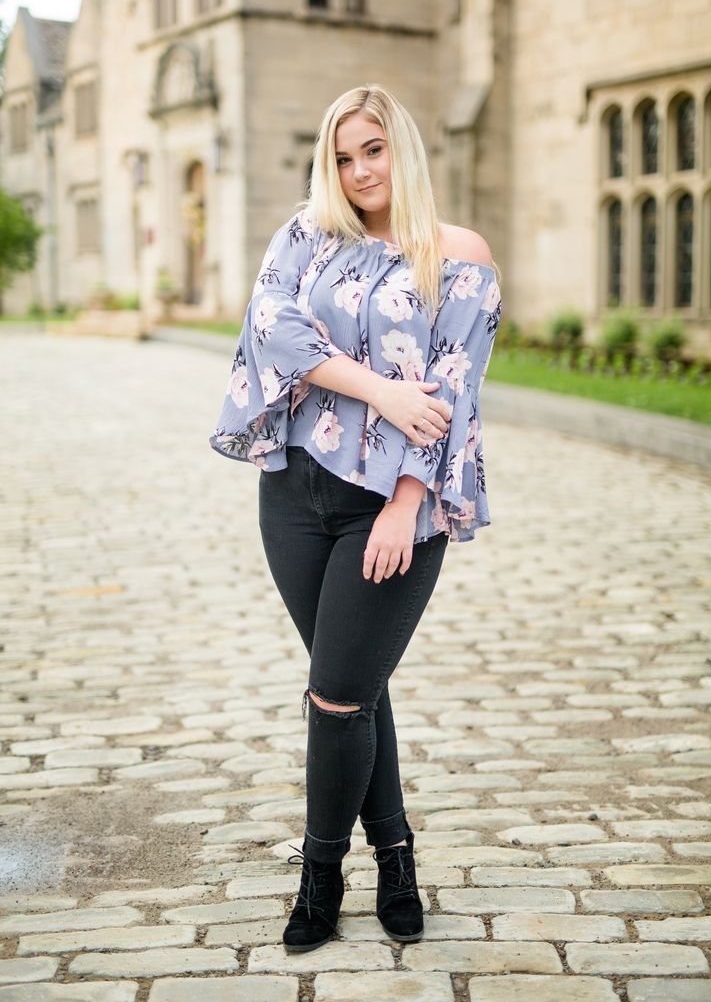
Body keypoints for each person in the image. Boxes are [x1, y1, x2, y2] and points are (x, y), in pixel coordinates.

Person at [209, 83, 503, 953]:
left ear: (400, 149)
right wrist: (378, 389)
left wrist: (405, 507)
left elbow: (453, 389)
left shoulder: (458, 256)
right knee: (351, 683)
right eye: (343, 155)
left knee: (336, 696)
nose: (358, 169)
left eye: (372, 149)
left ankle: (321, 875)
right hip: (293, 494)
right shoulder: (307, 238)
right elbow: (273, 330)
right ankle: (399, 855)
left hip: (391, 505)